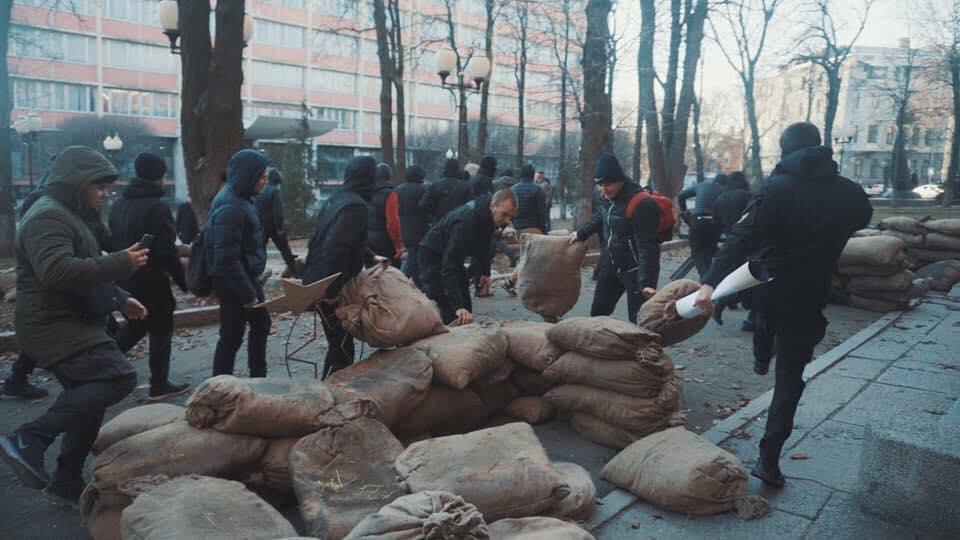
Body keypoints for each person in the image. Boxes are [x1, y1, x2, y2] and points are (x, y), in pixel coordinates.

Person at [694, 122, 872, 488]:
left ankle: (761, 353)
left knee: (763, 323)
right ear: (819, 148)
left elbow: (742, 238)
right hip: (811, 292)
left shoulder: (776, 188)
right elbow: (862, 218)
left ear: (786, 150)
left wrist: (710, 281)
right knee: (791, 378)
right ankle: (769, 459)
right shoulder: (851, 194)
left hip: (769, 285)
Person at [0, 146, 147, 508]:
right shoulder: (47, 217)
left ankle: (65, 480)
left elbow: (84, 264)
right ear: (76, 182)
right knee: (117, 377)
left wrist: (119, 297)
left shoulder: (69, 214)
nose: (105, 194)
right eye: (99, 186)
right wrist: (121, 262)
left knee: (88, 401)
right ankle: (29, 437)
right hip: (53, 325)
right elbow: (59, 271)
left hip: (71, 320)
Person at [108, 152, 190, 400]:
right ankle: (159, 384)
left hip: (125, 279)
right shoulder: (157, 207)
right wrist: (184, 282)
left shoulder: (118, 205)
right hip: (152, 280)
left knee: (134, 327)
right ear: (160, 177)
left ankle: (102, 369)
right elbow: (166, 251)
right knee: (161, 330)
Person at [303, 156, 388, 378]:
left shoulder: (338, 199)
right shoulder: (356, 207)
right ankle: (330, 396)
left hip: (316, 279)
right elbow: (335, 248)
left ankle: (329, 391)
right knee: (341, 347)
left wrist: (370, 257)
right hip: (327, 284)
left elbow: (345, 240)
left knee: (339, 344)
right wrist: (331, 291)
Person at [569, 153, 660, 324]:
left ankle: (642, 350)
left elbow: (648, 246)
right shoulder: (608, 197)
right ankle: (597, 349)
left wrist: (647, 282)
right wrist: (581, 233)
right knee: (597, 314)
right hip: (612, 265)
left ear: (620, 180)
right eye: (600, 185)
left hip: (635, 271)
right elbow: (601, 217)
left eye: (608, 185)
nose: (603, 191)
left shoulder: (642, 203)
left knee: (640, 322)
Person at [206, 149, 272, 378]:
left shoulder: (240, 199)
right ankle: (219, 386)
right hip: (235, 282)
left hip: (244, 278)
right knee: (232, 336)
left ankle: (258, 378)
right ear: (248, 176)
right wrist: (247, 294)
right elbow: (226, 258)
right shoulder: (232, 206)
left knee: (260, 325)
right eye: (261, 176)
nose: (265, 180)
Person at [420, 190, 518, 325]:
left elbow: (485, 244)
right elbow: (449, 266)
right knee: (453, 312)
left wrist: (485, 272)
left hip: (452, 258)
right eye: (505, 215)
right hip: (433, 256)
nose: (507, 221)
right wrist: (457, 307)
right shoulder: (465, 223)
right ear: (493, 206)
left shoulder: (488, 216)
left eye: (510, 217)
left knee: (467, 308)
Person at [712, 171, 756, 328]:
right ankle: (750, 318)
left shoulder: (721, 198)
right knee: (750, 279)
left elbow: (716, 222)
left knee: (735, 276)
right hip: (749, 242)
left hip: (731, 241)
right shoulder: (748, 196)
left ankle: (723, 302)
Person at [254, 168, 299, 278]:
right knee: (285, 250)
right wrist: (280, 227)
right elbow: (277, 211)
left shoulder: (262, 191)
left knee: (261, 250)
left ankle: (258, 273)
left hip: (262, 225)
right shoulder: (274, 191)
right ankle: (295, 273)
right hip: (274, 226)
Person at [678, 172, 725, 277]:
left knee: (697, 252)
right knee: (710, 250)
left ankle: (706, 279)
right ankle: (710, 278)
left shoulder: (702, 185)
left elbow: (681, 196)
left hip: (698, 221)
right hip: (714, 223)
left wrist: (684, 211)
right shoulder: (725, 190)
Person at [396, 165, 429, 286]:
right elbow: (427, 207)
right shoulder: (423, 189)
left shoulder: (398, 189)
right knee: (413, 257)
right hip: (420, 227)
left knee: (414, 255)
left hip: (403, 226)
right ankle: (401, 282)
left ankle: (420, 285)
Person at [367, 163, 404, 266]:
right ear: (389, 176)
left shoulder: (367, 193)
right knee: (390, 276)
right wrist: (398, 246)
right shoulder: (390, 194)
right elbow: (392, 223)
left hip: (369, 242)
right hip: (386, 242)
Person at [419, 158, 472, 226]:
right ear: (457, 169)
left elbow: (424, 204)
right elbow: (470, 206)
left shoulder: (435, 185)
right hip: (458, 224)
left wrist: (433, 214)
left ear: (445, 169)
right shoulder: (466, 187)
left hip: (439, 223)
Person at [511, 164, 549, 234]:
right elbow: (541, 212)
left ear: (521, 175)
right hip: (533, 229)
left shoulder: (513, 189)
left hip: (516, 228)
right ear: (533, 175)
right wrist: (544, 230)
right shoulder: (538, 190)